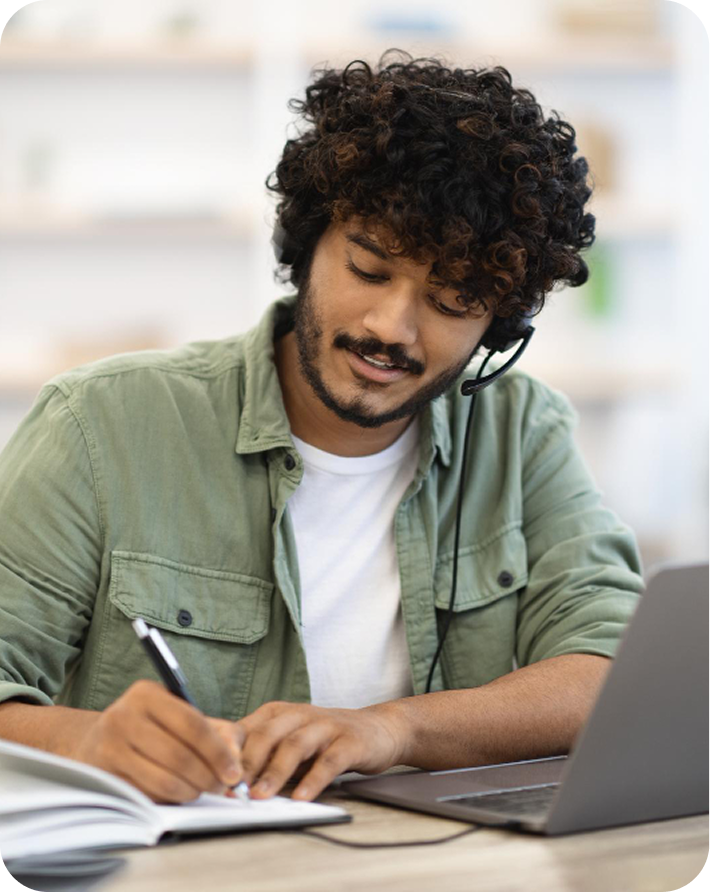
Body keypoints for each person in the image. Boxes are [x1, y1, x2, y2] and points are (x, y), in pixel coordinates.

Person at [0, 51, 643, 806]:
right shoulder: (98, 424)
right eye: (368, 270)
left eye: (451, 301)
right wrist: (86, 742)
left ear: (497, 328)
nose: (391, 327)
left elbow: (611, 672)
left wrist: (392, 729)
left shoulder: (523, 432)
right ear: (306, 246)